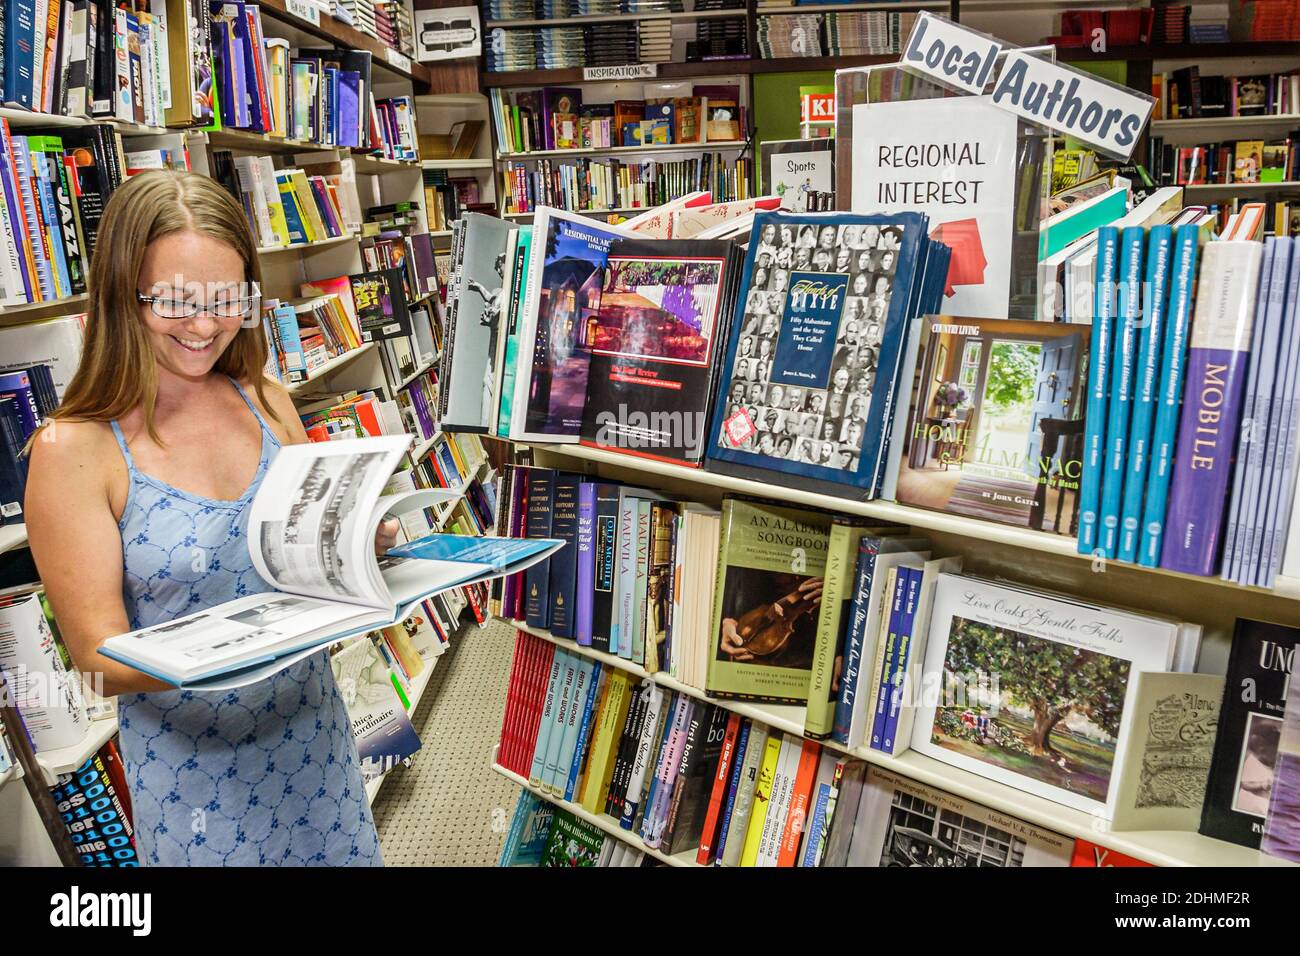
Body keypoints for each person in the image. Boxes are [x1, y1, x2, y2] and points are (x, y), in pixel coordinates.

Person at [25, 171, 390, 867]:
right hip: (198, 782)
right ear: (121, 294)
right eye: (175, 301)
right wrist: (238, 652)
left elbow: (303, 559)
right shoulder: (74, 449)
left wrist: (356, 546)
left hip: (313, 741)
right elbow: (98, 663)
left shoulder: (267, 399)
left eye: (226, 299)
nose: (203, 326)